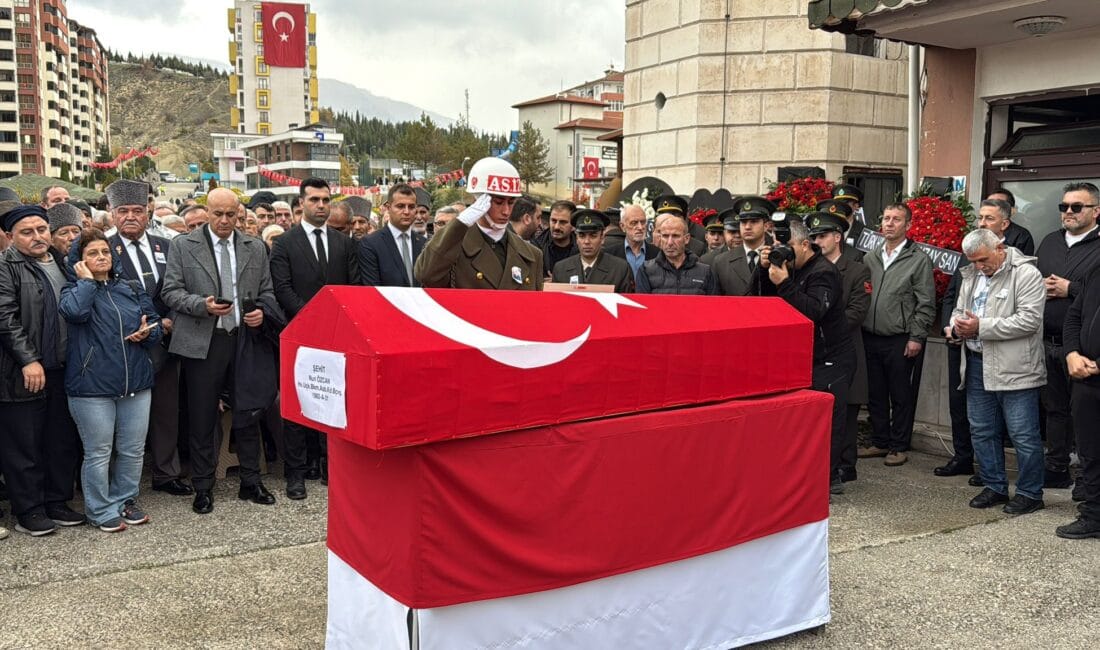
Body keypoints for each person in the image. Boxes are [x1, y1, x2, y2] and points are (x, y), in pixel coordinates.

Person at [162, 188, 284, 514]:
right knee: (202, 416)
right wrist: (201, 305)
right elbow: (171, 291)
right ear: (207, 212)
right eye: (218, 214)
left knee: (247, 412)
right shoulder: (183, 246)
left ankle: (250, 481)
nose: (225, 221)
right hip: (204, 342)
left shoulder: (254, 247)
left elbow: (267, 291)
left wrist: (261, 312)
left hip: (244, 340)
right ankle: (203, 487)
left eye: (232, 214)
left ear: (239, 214)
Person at [60, 229, 163, 532]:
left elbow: (154, 323)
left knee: (132, 449)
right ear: (79, 261)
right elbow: (75, 313)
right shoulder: (73, 290)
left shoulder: (130, 287)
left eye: (105, 251)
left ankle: (125, 499)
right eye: (92, 253)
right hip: (91, 387)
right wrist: (87, 282)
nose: (102, 257)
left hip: (137, 381)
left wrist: (149, 332)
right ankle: (99, 508)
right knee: (99, 451)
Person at [270, 178, 359, 495]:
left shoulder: (344, 243)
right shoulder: (284, 243)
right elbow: (282, 288)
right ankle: (295, 472)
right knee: (297, 404)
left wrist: (333, 322)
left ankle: (329, 466)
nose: (321, 205)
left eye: (326, 200)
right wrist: (311, 320)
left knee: (334, 401)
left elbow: (353, 288)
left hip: (337, 335)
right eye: (314, 200)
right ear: (301, 204)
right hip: (299, 333)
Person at [948, 228, 1046, 515]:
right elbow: (959, 309)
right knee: (981, 429)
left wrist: (981, 327)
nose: (979, 266)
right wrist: (955, 327)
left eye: (983, 260)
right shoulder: (971, 275)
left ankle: (1030, 493)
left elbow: (1029, 320)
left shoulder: (1026, 274)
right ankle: (994, 485)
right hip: (977, 361)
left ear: (1000, 247)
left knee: (1023, 434)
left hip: (1016, 366)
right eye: (974, 261)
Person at [0, 205, 85, 536]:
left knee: (60, 440)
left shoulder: (63, 260)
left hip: (63, 367)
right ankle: (29, 510)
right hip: (22, 371)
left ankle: (57, 501)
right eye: (27, 231)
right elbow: (4, 317)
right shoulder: (7, 266)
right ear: (10, 236)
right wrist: (28, 359)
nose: (37, 236)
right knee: (25, 445)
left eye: (41, 229)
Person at [105, 179, 191, 497]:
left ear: (148, 213)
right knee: (122, 418)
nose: (131, 216)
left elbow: (181, 289)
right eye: (123, 210)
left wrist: (170, 320)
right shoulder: (103, 248)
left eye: (138, 211)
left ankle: (166, 473)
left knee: (166, 411)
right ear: (112, 213)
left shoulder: (167, 246)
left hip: (166, 340)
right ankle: (121, 481)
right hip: (124, 345)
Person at [759, 217, 855, 494]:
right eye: (777, 245)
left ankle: (828, 478)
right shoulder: (789, 267)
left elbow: (813, 312)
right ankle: (806, 473)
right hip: (803, 356)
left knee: (827, 422)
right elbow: (764, 301)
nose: (782, 251)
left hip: (832, 358)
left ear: (804, 244)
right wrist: (764, 269)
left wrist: (786, 284)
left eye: (786, 245)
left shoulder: (823, 271)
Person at [857, 203, 935, 467]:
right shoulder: (871, 257)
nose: (889, 223)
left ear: (908, 225)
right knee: (875, 393)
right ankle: (880, 440)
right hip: (871, 335)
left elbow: (925, 302)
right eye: (886, 218)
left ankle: (899, 445)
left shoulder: (918, 259)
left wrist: (917, 337)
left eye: (896, 219)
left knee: (900, 394)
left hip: (900, 337)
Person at [1035, 181, 1100, 491]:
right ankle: (1057, 466)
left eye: (1077, 206)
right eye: (1064, 207)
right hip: (1048, 342)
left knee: (1086, 416)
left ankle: (1088, 483)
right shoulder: (1050, 242)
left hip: (1085, 350)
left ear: (1096, 211)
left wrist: (1069, 289)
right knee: (1055, 409)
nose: (1069, 212)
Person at [808, 211, 871, 485]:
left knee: (846, 409)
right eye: (814, 237)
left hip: (845, 345)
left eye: (822, 236)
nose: (818, 241)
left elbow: (858, 310)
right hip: (816, 351)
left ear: (837, 237)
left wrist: (827, 330)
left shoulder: (857, 269)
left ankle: (846, 463)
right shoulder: (810, 268)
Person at [415, 157, 542, 290]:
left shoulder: (532, 255)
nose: (506, 211)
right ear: (479, 199)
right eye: (498, 202)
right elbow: (425, 275)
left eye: (511, 202)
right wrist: (460, 223)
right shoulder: (454, 248)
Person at [1058, 264, 1100, 538]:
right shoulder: (1096, 270)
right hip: (1085, 378)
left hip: (1095, 369)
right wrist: (1071, 352)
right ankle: (1094, 515)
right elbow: (1074, 315)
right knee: (1090, 451)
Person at [358, 184, 426, 288]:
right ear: (389, 208)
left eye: (411, 207)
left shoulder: (424, 244)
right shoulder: (370, 243)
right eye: (400, 206)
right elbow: (372, 288)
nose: (406, 212)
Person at [551, 209, 635, 293]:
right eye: (582, 236)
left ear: (602, 238)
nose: (587, 241)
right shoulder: (561, 269)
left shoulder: (619, 269)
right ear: (576, 238)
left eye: (593, 236)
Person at [635, 213, 716, 295]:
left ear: (687, 239)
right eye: (665, 236)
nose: (670, 242)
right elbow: (642, 305)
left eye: (675, 236)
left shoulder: (705, 272)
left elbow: (714, 306)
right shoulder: (646, 270)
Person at [712, 196, 775, 297]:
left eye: (754, 221)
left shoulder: (776, 257)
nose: (747, 227)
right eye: (743, 222)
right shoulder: (721, 262)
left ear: (767, 226)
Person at [605, 204, 657, 278]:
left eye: (643, 222)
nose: (640, 227)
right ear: (622, 226)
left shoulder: (658, 254)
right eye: (634, 223)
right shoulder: (609, 254)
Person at [986, 188, 1035, 255]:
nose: (992, 208)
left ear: (1011, 210)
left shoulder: (1021, 235)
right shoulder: (979, 231)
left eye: (998, 204)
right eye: (989, 204)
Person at [541, 200, 579, 278]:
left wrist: (560, 282)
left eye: (563, 222)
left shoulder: (582, 248)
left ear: (573, 226)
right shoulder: (537, 246)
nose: (557, 227)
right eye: (553, 221)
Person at [831, 183, 866, 254]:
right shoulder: (827, 229)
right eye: (837, 203)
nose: (840, 206)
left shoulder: (864, 233)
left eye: (845, 203)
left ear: (856, 206)